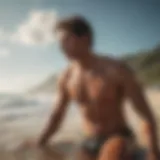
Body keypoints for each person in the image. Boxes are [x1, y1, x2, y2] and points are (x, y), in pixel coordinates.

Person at [35, 16, 159, 160]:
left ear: (85, 38)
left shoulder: (116, 70)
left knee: (113, 150)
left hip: (120, 139)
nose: (61, 46)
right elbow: (57, 116)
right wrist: (41, 142)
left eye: (67, 39)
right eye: (60, 42)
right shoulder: (66, 78)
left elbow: (145, 116)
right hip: (90, 142)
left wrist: (154, 152)